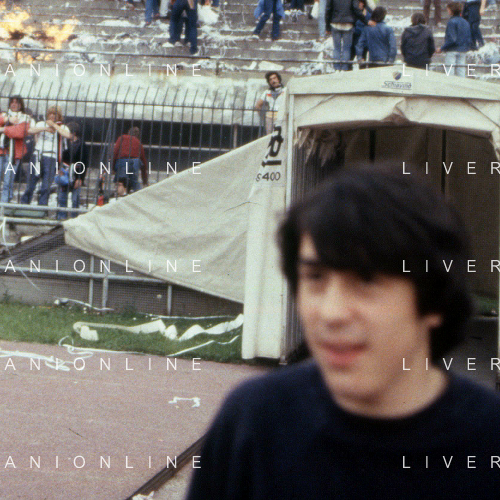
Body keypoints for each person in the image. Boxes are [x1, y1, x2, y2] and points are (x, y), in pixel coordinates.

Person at [187, 164, 499, 500]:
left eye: (366, 279)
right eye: (315, 277)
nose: (331, 313)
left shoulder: (488, 444)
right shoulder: (254, 423)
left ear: (435, 298)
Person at [22, 105, 71, 206]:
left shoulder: (62, 126)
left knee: (46, 186)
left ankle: (42, 207)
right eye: (50, 114)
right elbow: (30, 130)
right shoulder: (41, 123)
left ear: (59, 116)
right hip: (38, 155)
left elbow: (67, 135)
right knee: (30, 184)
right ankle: (24, 204)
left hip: (51, 157)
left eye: (55, 114)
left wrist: (54, 125)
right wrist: (45, 128)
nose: (52, 116)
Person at [0, 96, 30, 202]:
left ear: (21, 105)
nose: (14, 104)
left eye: (16, 102)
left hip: (13, 154)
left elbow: (19, 132)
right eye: (12, 102)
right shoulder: (4, 115)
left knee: (8, 182)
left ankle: (4, 205)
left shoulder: (25, 118)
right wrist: (7, 119)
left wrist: (2, 129)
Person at [325, 0, 360, 70]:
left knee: (336, 48)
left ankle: (336, 68)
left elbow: (328, 10)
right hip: (348, 23)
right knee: (346, 48)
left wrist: (327, 26)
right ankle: (344, 68)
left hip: (335, 23)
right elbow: (356, 9)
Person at [435, 0, 472, 76]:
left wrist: (442, 48)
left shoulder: (451, 22)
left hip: (452, 50)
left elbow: (452, 39)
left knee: (450, 72)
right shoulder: (465, 22)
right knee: (461, 71)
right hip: (463, 49)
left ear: (451, 10)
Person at [112, 125, 148, 192]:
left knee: (121, 181)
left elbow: (115, 152)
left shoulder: (122, 138)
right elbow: (144, 162)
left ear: (128, 132)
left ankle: (120, 192)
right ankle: (138, 192)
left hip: (122, 162)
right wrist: (145, 180)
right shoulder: (139, 143)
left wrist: (112, 167)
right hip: (135, 163)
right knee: (134, 181)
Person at [255, 71, 282, 135]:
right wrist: (263, 117)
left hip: (281, 117)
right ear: (269, 82)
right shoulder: (267, 92)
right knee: (270, 137)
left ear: (278, 79)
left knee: (280, 136)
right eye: (270, 79)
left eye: (274, 78)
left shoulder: (285, 90)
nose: (273, 81)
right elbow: (258, 105)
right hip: (270, 118)